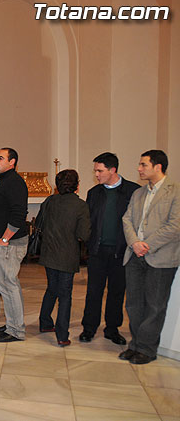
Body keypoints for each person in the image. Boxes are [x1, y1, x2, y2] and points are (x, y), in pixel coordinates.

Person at [121, 149, 180, 365]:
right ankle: (135, 344)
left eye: (143, 165)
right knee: (133, 304)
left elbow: (175, 226)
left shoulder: (175, 192)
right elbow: (126, 220)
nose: (139, 169)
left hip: (161, 257)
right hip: (134, 255)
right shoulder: (138, 193)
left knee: (155, 305)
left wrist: (147, 245)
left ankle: (147, 349)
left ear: (158, 166)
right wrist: (135, 243)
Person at [80, 152, 139, 345]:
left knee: (116, 292)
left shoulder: (133, 191)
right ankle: (89, 328)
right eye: (95, 170)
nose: (96, 174)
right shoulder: (94, 193)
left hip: (121, 252)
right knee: (93, 291)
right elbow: (89, 222)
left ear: (112, 170)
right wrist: (89, 244)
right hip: (97, 251)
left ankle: (112, 329)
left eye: (100, 170)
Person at [37, 169, 91, 346]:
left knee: (52, 288)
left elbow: (39, 224)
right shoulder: (80, 206)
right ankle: (62, 335)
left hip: (48, 253)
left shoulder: (50, 201)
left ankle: (45, 323)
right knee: (65, 295)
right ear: (77, 185)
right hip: (67, 255)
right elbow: (84, 234)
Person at [0, 148, 29, 343]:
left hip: (9, 244)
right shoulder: (4, 182)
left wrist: (4, 239)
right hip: (3, 243)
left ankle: (16, 331)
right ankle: (12, 323)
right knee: (4, 285)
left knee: (9, 285)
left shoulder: (14, 183)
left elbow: (19, 214)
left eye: (1, 158)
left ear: (12, 162)